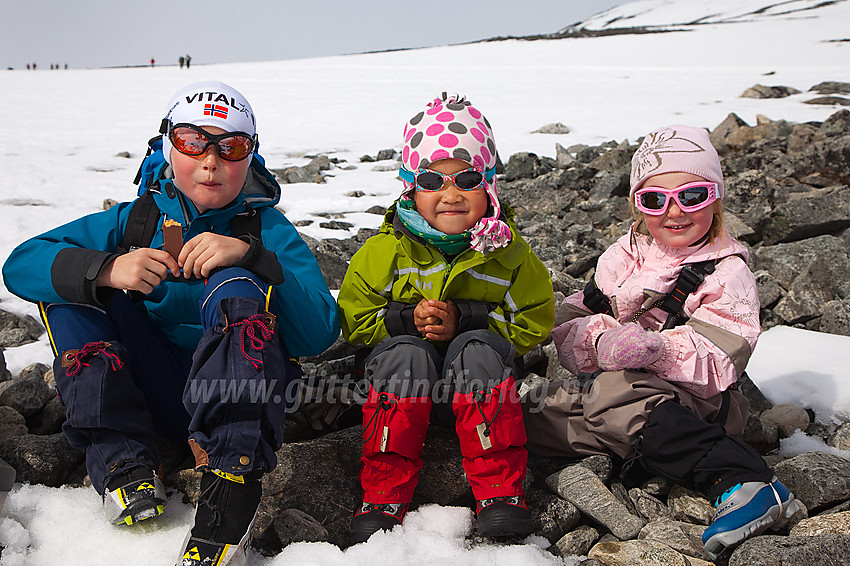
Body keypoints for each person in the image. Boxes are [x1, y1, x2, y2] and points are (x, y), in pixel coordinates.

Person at [2, 80, 340, 566]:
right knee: (72, 296)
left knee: (237, 280)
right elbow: (21, 264)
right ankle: (123, 461)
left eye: (231, 146)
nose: (210, 161)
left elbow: (319, 332)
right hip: (152, 388)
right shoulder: (134, 220)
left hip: (243, 396)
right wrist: (108, 270)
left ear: (250, 156)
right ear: (167, 144)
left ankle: (232, 481)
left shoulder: (266, 230)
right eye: (192, 142)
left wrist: (252, 258)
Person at [523, 125, 804, 561]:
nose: (674, 212)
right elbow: (572, 318)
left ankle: (742, 480)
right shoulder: (625, 254)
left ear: (716, 196)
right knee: (531, 416)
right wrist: (600, 343)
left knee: (617, 394)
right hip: (612, 394)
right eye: (654, 200)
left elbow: (721, 359)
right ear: (638, 206)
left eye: (691, 195)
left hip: (698, 403)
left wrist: (653, 349)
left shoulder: (726, 273)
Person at [337, 94, 555, 545]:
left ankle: (500, 493)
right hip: (401, 390)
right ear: (410, 188)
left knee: (475, 348)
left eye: (469, 178)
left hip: (477, 388)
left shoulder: (507, 252)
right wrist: (403, 321)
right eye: (433, 179)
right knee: (404, 352)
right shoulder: (385, 250)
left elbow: (535, 318)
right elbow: (354, 318)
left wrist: (469, 320)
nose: (451, 194)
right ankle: (382, 496)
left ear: (489, 183)